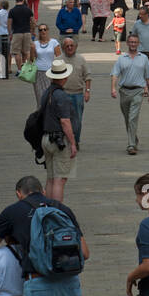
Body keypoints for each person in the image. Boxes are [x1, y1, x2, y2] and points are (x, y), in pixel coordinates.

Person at [38, 57, 79, 201]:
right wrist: (73, 143)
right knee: (60, 179)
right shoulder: (61, 95)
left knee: (51, 177)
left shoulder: (46, 93)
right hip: (59, 141)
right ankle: (56, 212)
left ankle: (48, 208)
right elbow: (65, 122)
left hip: (46, 139)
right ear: (65, 77)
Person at [111, 33, 149, 154]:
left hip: (138, 91)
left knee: (132, 118)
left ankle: (131, 145)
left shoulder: (143, 58)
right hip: (124, 91)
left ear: (138, 44)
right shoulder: (121, 58)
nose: (133, 44)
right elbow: (115, 74)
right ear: (127, 43)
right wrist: (113, 88)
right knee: (127, 119)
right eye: (131, 42)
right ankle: (134, 138)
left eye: (135, 42)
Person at [59, 37, 91, 144]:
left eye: (71, 45)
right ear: (63, 48)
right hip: (62, 94)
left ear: (76, 47)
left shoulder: (81, 59)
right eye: (67, 46)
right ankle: (65, 140)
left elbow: (87, 76)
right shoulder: (58, 60)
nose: (69, 48)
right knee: (63, 120)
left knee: (77, 121)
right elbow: (53, 79)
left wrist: (87, 91)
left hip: (77, 94)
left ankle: (75, 141)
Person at [7, 0, 36, 78]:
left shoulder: (12, 11)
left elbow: (9, 24)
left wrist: (10, 33)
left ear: (16, 0)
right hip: (27, 32)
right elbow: (33, 21)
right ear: (23, 0)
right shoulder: (28, 10)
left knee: (17, 52)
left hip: (16, 33)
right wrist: (32, 30)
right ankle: (27, 69)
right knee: (27, 51)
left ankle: (19, 70)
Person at [32, 24, 62, 108]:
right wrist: (31, 50)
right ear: (38, 32)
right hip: (38, 73)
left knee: (50, 95)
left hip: (51, 73)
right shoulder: (35, 44)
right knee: (40, 96)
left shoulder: (54, 42)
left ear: (48, 31)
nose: (43, 31)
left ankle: (50, 115)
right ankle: (40, 115)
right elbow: (31, 59)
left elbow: (59, 58)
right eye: (40, 30)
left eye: (45, 29)